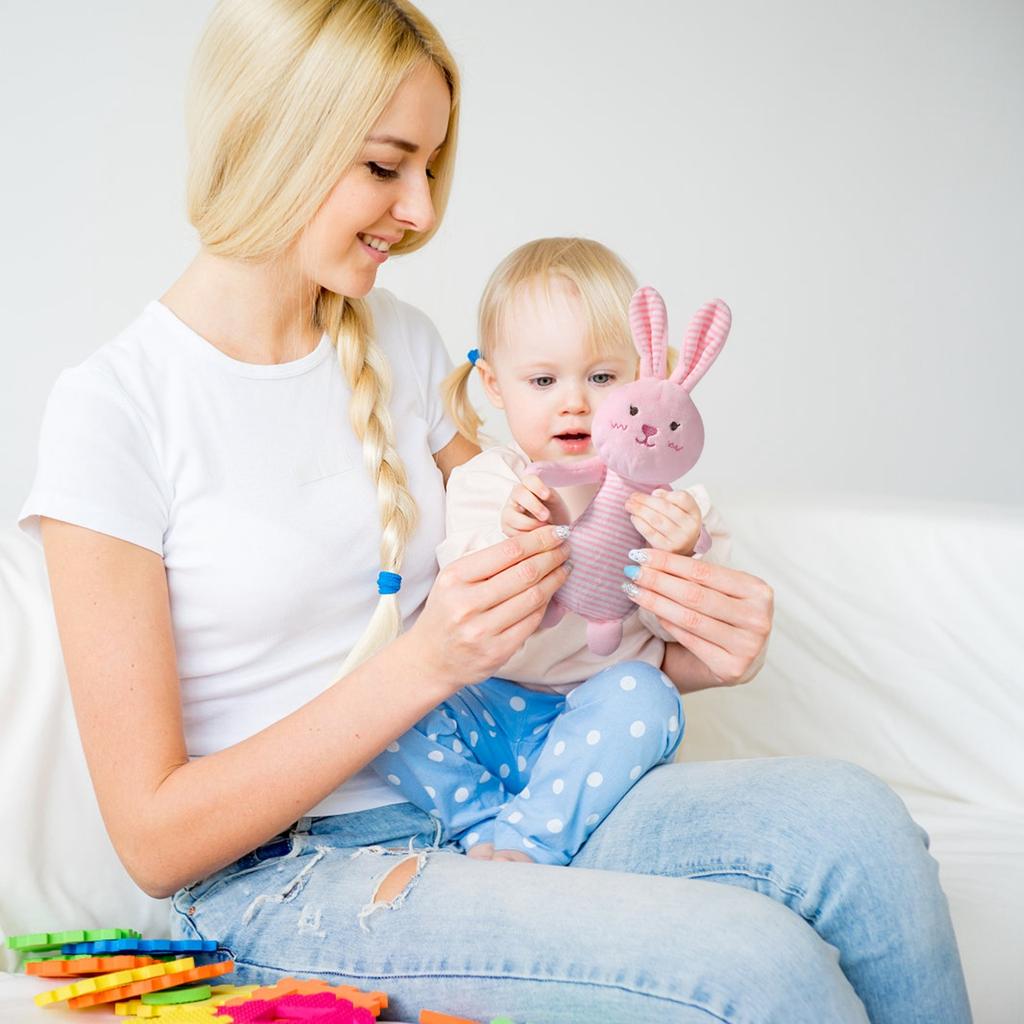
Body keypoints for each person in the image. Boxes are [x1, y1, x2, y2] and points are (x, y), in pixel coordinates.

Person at [19, 1, 972, 1021]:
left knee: (854, 823)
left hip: (498, 790)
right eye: (387, 166)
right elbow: (155, 840)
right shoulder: (113, 410)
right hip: (284, 884)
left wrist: (680, 648)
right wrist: (423, 663)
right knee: (755, 967)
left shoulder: (404, 341)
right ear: (272, 136)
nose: (422, 211)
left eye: (428, 168)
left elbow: (553, 588)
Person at [372, 237, 724, 866]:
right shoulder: (489, 480)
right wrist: (514, 533)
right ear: (494, 386)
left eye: (602, 377)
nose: (574, 401)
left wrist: (679, 554)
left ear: (643, 377)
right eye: (542, 379)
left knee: (645, 692)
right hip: (490, 707)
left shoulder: (672, 501)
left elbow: (686, 635)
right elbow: (467, 597)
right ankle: (481, 826)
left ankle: (529, 843)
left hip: (594, 722)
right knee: (378, 703)